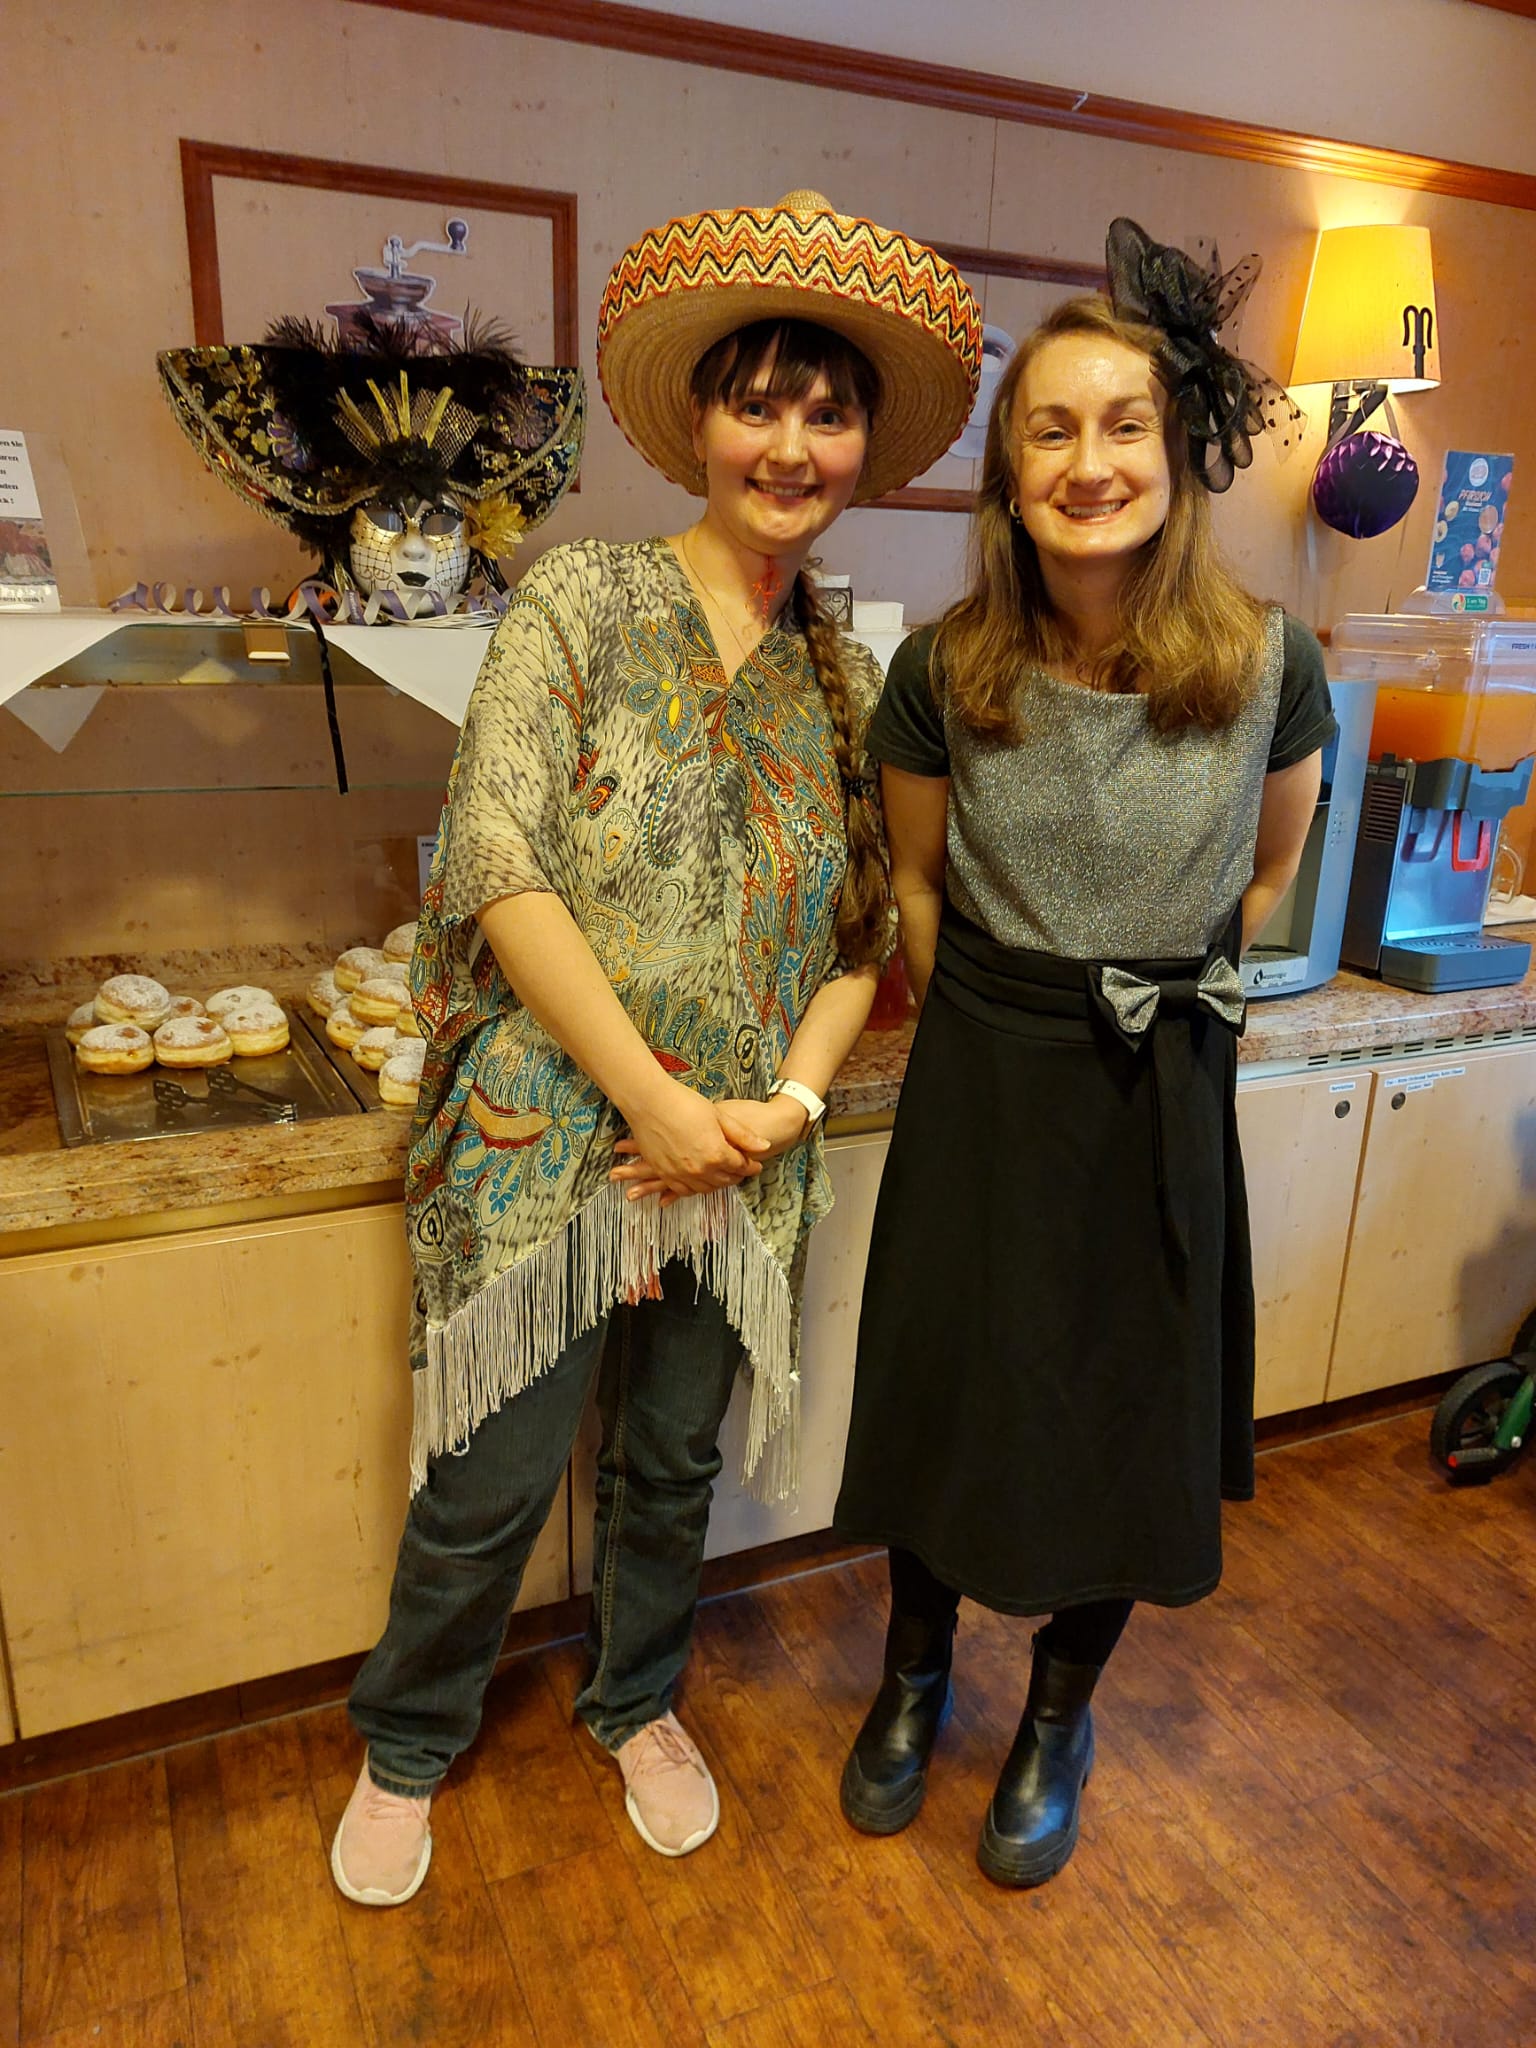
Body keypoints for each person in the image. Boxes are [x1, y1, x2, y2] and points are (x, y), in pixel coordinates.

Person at [330, 189, 981, 1906]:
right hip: (553, 1127)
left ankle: (635, 1701)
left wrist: (778, 1107)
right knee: (492, 1475)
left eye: (826, 414)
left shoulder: (846, 678)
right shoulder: (581, 599)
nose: (791, 445)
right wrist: (655, 1104)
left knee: (673, 1458)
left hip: (738, 1154)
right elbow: (498, 860)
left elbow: (865, 935)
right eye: (758, 404)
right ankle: (409, 1737)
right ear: (699, 419)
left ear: (862, 448)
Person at [832, 217, 1334, 1889]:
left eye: (1125, 425)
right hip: (986, 1072)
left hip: (1161, 1084)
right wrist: (1003, 1019)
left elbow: (1269, 874)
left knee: (1125, 1404)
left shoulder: (1271, 663)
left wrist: (1155, 997)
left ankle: (1059, 1712)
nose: (1089, 463)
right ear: (1009, 470)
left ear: (1177, 457)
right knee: (950, 1385)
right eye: (1050, 430)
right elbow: (915, 887)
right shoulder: (943, 667)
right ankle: (914, 1675)